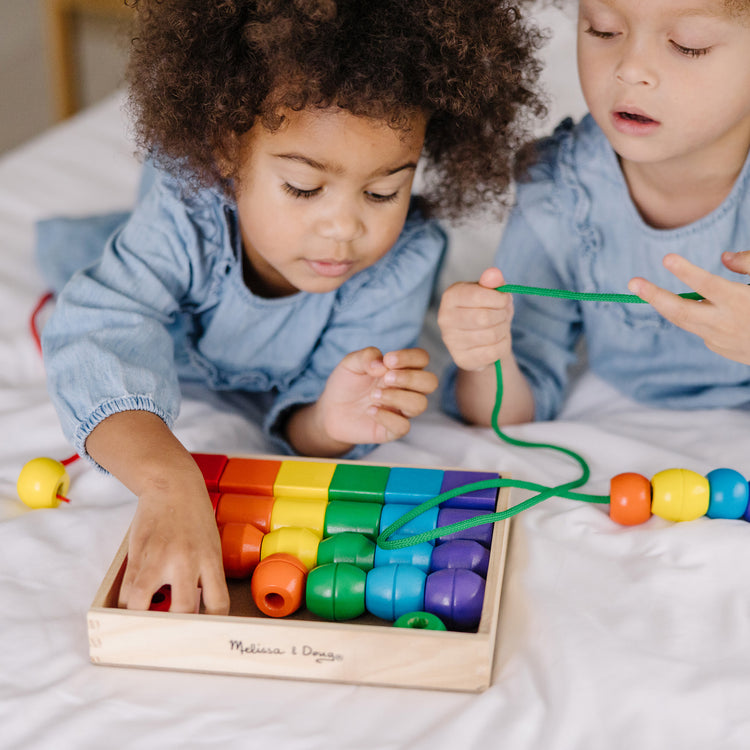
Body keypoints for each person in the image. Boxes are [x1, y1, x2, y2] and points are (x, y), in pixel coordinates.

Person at [38, 0, 546, 614]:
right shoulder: (188, 205)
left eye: (385, 190)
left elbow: (304, 421)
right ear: (228, 152)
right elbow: (104, 327)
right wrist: (168, 481)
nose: (345, 227)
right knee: (88, 265)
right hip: (169, 258)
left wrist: (331, 420)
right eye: (304, 188)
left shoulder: (401, 261)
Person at [438, 0, 750, 430]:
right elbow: (510, 411)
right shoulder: (558, 192)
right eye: (603, 30)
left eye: (687, 46)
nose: (629, 68)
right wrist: (483, 354)